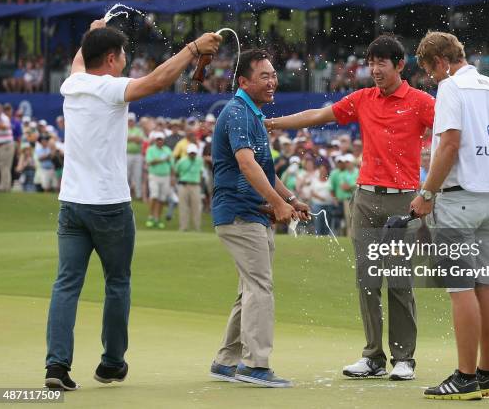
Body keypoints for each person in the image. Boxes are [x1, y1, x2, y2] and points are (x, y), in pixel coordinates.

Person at [44, 18, 221, 390]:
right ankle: (111, 363)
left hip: (72, 203)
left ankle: (56, 367)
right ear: (110, 58)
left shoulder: (73, 83)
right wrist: (193, 49)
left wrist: (91, 33)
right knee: (118, 282)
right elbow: (157, 80)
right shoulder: (110, 88)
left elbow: (80, 59)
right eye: (122, 54)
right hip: (109, 204)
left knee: (66, 284)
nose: (126, 59)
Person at [267, 35, 434, 380]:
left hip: (403, 199)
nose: (373, 70)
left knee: (399, 281)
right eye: (370, 63)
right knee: (368, 279)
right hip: (365, 198)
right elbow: (319, 115)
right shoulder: (363, 98)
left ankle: (404, 358)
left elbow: (451, 133)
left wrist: (433, 191)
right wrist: (276, 123)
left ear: (399, 66)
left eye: (381, 63)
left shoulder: (420, 102)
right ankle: (373, 356)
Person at [410, 31, 489, 400]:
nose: (432, 78)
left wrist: (426, 194)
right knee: (486, 287)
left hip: (458, 202)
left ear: (442, 62)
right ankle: (487, 375)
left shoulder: (450, 88)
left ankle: (464, 377)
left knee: (461, 291)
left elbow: (449, 145)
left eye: (431, 70)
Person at [209, 49, 310, 388]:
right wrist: (278, 205)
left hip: (249, 212)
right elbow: (247, 165)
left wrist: (291, 199)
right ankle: (255, 365)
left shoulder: (250, 113)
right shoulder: (239, 112)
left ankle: (226, 361)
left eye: (273, 74)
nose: (273, 81)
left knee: (249, 288)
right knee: (259, 288)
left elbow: (265, 170)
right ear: (243, 81)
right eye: (264, 76)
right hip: (240, 213)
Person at [145, 131, 174, 228]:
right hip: (154, 175)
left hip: (165, 176)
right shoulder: (151, 149)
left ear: (163, 140)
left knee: (162, 199)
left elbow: (172, 164)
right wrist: (162, 160)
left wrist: (172, 177)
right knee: (154, 196)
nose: (159, 141)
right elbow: (150, 162)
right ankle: (150, 216)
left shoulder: (167, 150)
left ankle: (157, 219)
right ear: (155, 141)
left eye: (161, 139)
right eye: (158, 140)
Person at [175, 142, 204, 232]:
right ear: (188, 152)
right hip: (184, 185)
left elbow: (201, 172)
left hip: (195, 185)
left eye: (194, 153)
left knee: (197, 207)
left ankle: (197, 228)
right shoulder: (182, 161)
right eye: (191, 153)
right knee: (183, 207)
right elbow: (176, 171)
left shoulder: (199, 160)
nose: (192, 155)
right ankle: (183, 227)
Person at [0, 103, 15, 191]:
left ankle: (4, 187)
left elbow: (3, 127)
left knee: (4, 166)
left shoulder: (4, 118)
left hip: (6, 145)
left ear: (0, 110)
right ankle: (3, 186)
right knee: (1, 166)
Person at [126, 113, 145, 200]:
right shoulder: (124, 129)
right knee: (127, 175)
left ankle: (138, 194)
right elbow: (126, 138)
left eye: (132, 121)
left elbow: (141, 140)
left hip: (137, 155)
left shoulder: (139, 130)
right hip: (127, 154)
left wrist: (130, 138)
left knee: (137, 175)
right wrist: (134, 138)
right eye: (129, 121)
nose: (130, 122)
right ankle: (127, 194)